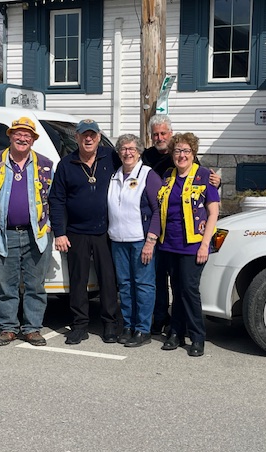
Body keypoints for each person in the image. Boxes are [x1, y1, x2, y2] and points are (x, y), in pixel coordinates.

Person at [142, 114, 221, 335]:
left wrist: (217, 183)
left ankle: (187, 330)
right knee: (159, 281)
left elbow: (206, 191)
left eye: (163, 133)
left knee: (185, 288)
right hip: (159, 232)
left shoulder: (188, 161)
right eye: (155, 134)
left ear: (170, 134)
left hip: (188, 238)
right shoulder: (147, 157)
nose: (159, 137)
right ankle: (161, 319)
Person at [0, 117, 53, 347]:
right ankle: (8, 328)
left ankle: (32, 329)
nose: (22, 138)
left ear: (33, 140)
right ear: (10, 136)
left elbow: (55, 198)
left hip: (36, 234)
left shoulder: (45, 164)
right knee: (6, 286)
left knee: (35, 286)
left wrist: (49, 224)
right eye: (18, 134)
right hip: (4, 234)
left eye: (27, 135)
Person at [49, 119, 120, 345]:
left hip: (105, 231)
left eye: (92, 135)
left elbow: (136, 165)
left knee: (108, 280)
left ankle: (110, 324)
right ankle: (80, 325)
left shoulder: (111, 157)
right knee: (78, 280)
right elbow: (57, 199)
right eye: (84, 135)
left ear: (98, 137)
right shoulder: (66, 164)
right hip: (76, 231)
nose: (88, 139)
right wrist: (59, 232)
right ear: (77, 137)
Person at [157, 132, 220, 357]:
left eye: (186, 151)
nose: (181, 155)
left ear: (193, 153)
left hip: (193, 245)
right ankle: (176, 332)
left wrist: (205, 245)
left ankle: (197, 336)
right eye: (177, 151)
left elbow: (213, 213)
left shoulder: (205, 176)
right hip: (169, 243)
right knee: (176, 289)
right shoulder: (167, 175)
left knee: (189, 290)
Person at [107, 134, 162, 347]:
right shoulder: (115, 176)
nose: (127, 152)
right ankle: (128, 325)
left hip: (141, 240)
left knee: (144, 285)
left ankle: (143, 329)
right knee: (125, 285)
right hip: (117, 239)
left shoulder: (148, 175)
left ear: (139, 152)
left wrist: (151, 241)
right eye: (123, 149)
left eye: (132, 148)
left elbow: (158, 211)